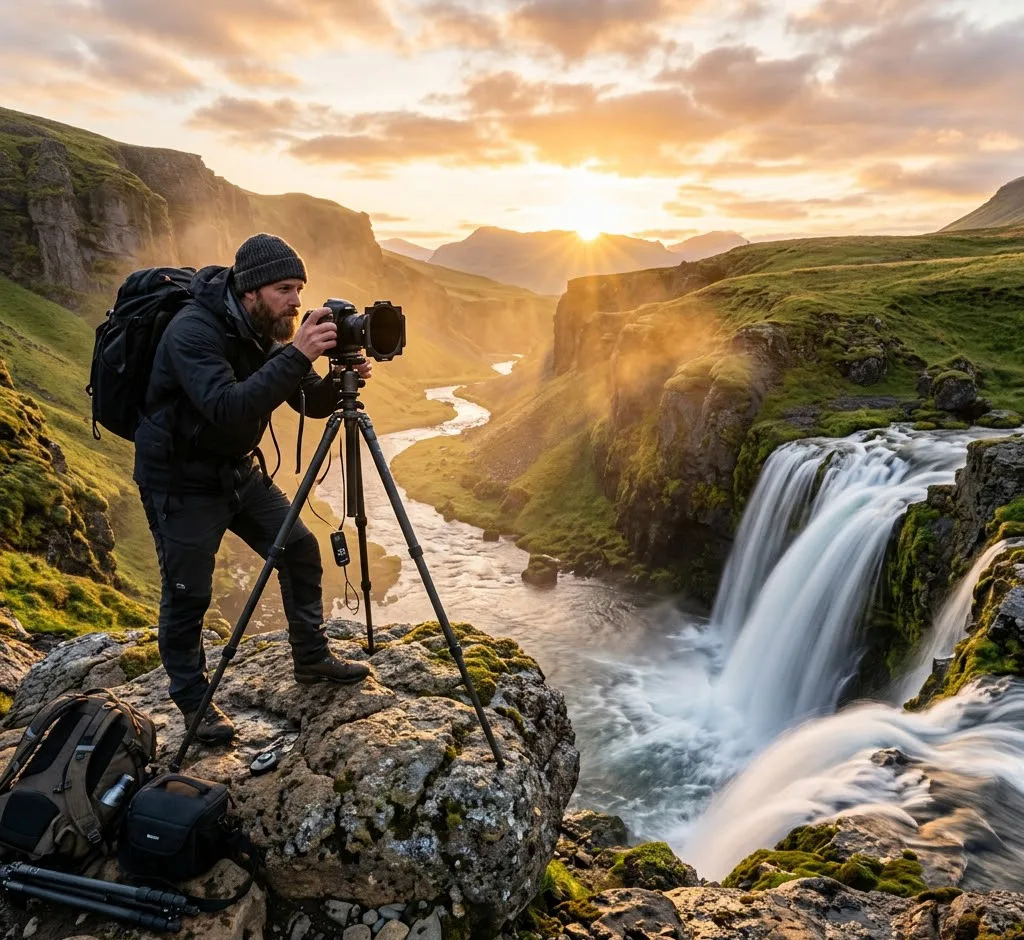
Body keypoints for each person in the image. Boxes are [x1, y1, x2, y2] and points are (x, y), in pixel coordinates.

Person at [134, 233, 372, 744]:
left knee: (301, 549)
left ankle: (311, 659)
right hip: (180, 479)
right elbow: (226, 406)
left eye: (299, 289)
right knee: (188, 593)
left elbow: (304, 401)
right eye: (284, 288)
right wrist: (298, 356)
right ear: (251, 289)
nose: (295, 301)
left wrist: (340, 382)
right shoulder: (191, 331)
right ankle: (193, 702)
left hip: (238, 470)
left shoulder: (266, 329)